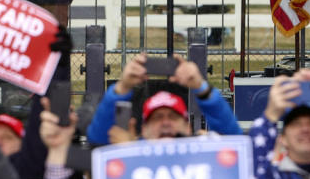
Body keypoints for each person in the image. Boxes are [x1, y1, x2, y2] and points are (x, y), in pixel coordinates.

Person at [85, 53, 240, 144]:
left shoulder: (199, 149)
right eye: (157, 117)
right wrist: (122, 87)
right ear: (143, 130)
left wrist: (201, 86)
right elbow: (97, 138)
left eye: (173, 116)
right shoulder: (130, 150)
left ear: (188, 128)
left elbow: (236, 141)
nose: (165, 123)